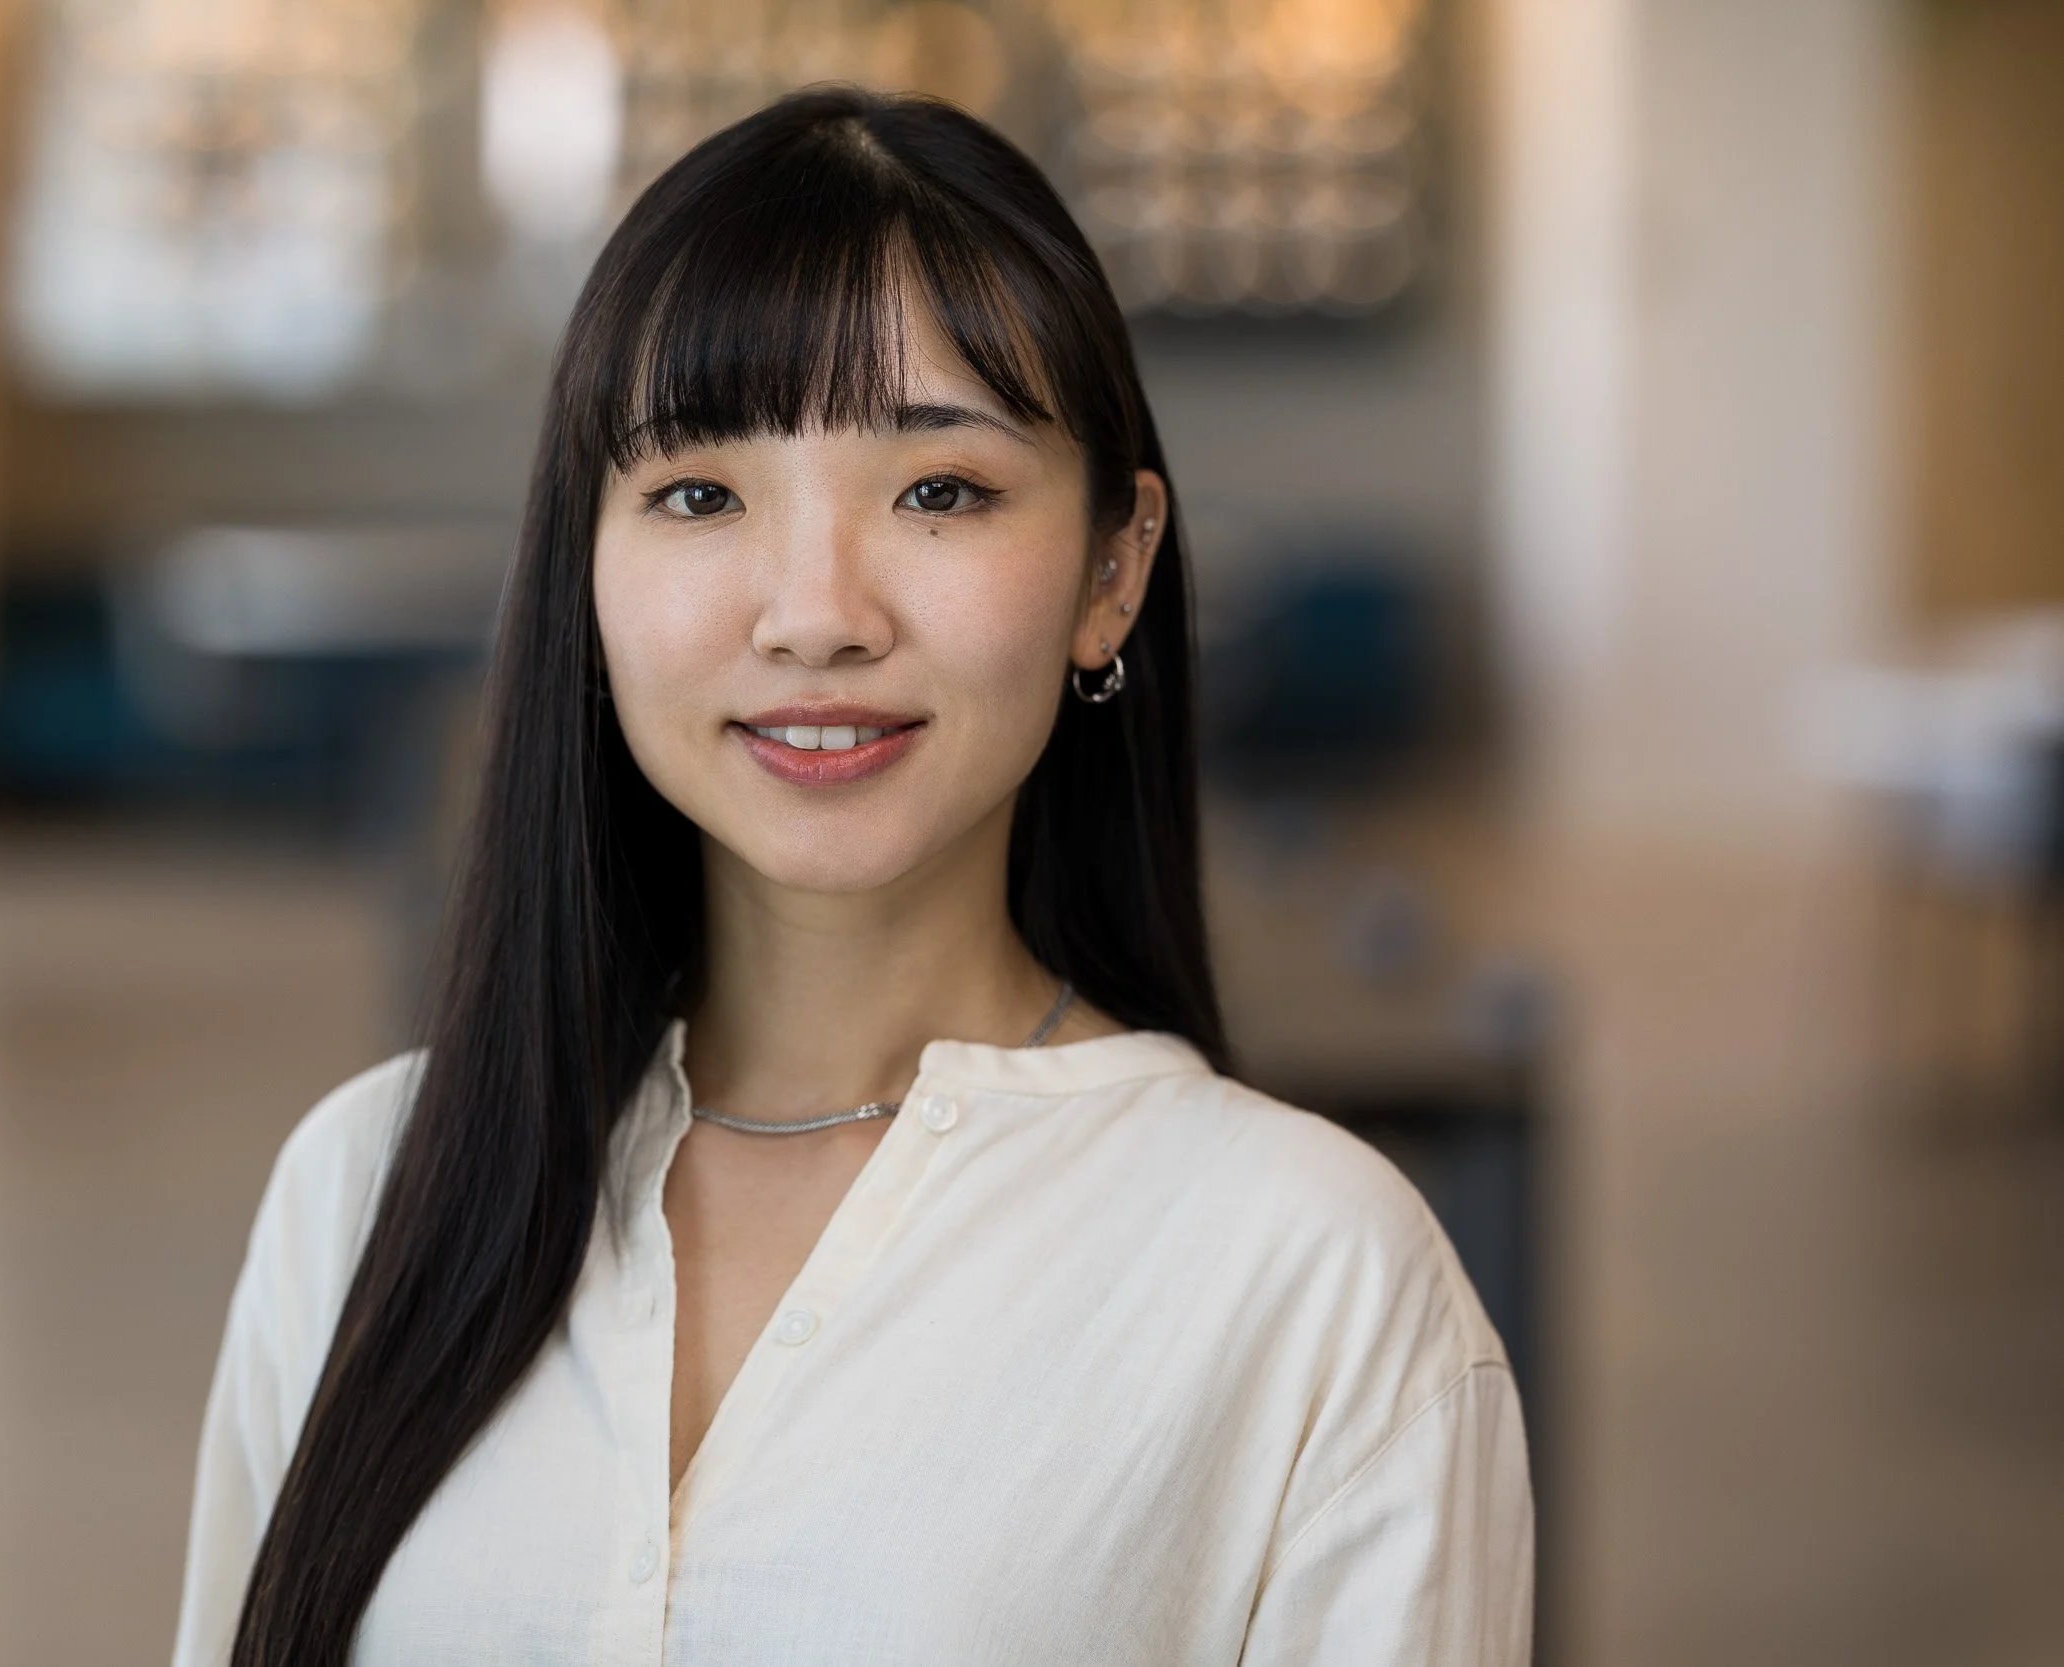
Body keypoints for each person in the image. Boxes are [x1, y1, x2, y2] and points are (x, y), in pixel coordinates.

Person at [173, 87, 1532, 1667]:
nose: (815, 613)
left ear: (1115, 568)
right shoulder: (366, 1188)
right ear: (583, 570)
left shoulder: (1319, 1278)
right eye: (700, 493)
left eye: (938, 491)